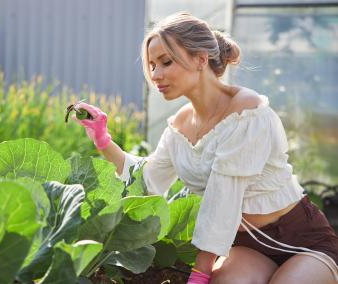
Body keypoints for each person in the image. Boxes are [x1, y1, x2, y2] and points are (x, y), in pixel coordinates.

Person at [72, 12, 338, 284]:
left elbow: (224, 198)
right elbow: (148, 178)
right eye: (152, 65)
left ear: (201, 59)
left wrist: (200, 274)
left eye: (166, 62)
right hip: (245, 244)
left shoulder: (248, 112)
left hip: (302, 238)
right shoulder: (180, 125)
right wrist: (103, 140)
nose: (156, 74)